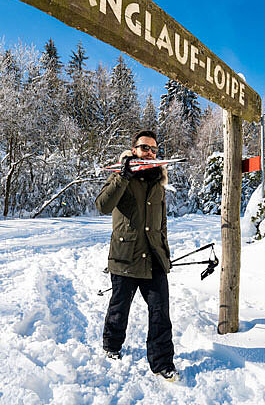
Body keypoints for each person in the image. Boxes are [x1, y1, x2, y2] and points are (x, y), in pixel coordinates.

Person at [95, 130, 178, 381]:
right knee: (120, 308)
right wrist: (122, 176)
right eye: (144, 147)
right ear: (134, 150)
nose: (149, 152)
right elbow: (103, 206)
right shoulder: (122, 176)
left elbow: (161, 224)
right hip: (125, 256)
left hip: (153, 258)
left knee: (160, 312)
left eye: (153, 149)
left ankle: (162, 362)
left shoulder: (158, 182)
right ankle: (111, 345)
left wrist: (164, 254)